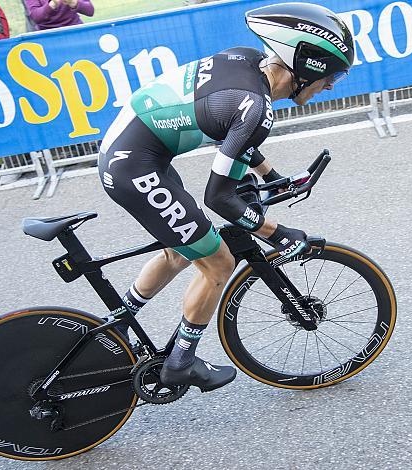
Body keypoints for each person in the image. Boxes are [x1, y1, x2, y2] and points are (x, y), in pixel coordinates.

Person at [98, 2, 354, 392]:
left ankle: (117, 327)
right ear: (308, 66)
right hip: (136, 165)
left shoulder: (249, 61)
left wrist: (270, 176)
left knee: (182, 249)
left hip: (136, 153)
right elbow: (218, 197)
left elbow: (229, 130)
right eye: (331, 75)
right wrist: (278, 232)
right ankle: (180, 365)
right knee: (219, 262)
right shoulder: (256, 109)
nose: (332, 85)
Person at [23, 0, 94, 31]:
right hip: (48, 34)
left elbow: (90, 11)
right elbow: (36, 17)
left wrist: (73, 2)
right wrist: (52, 4)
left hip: (74, 29)